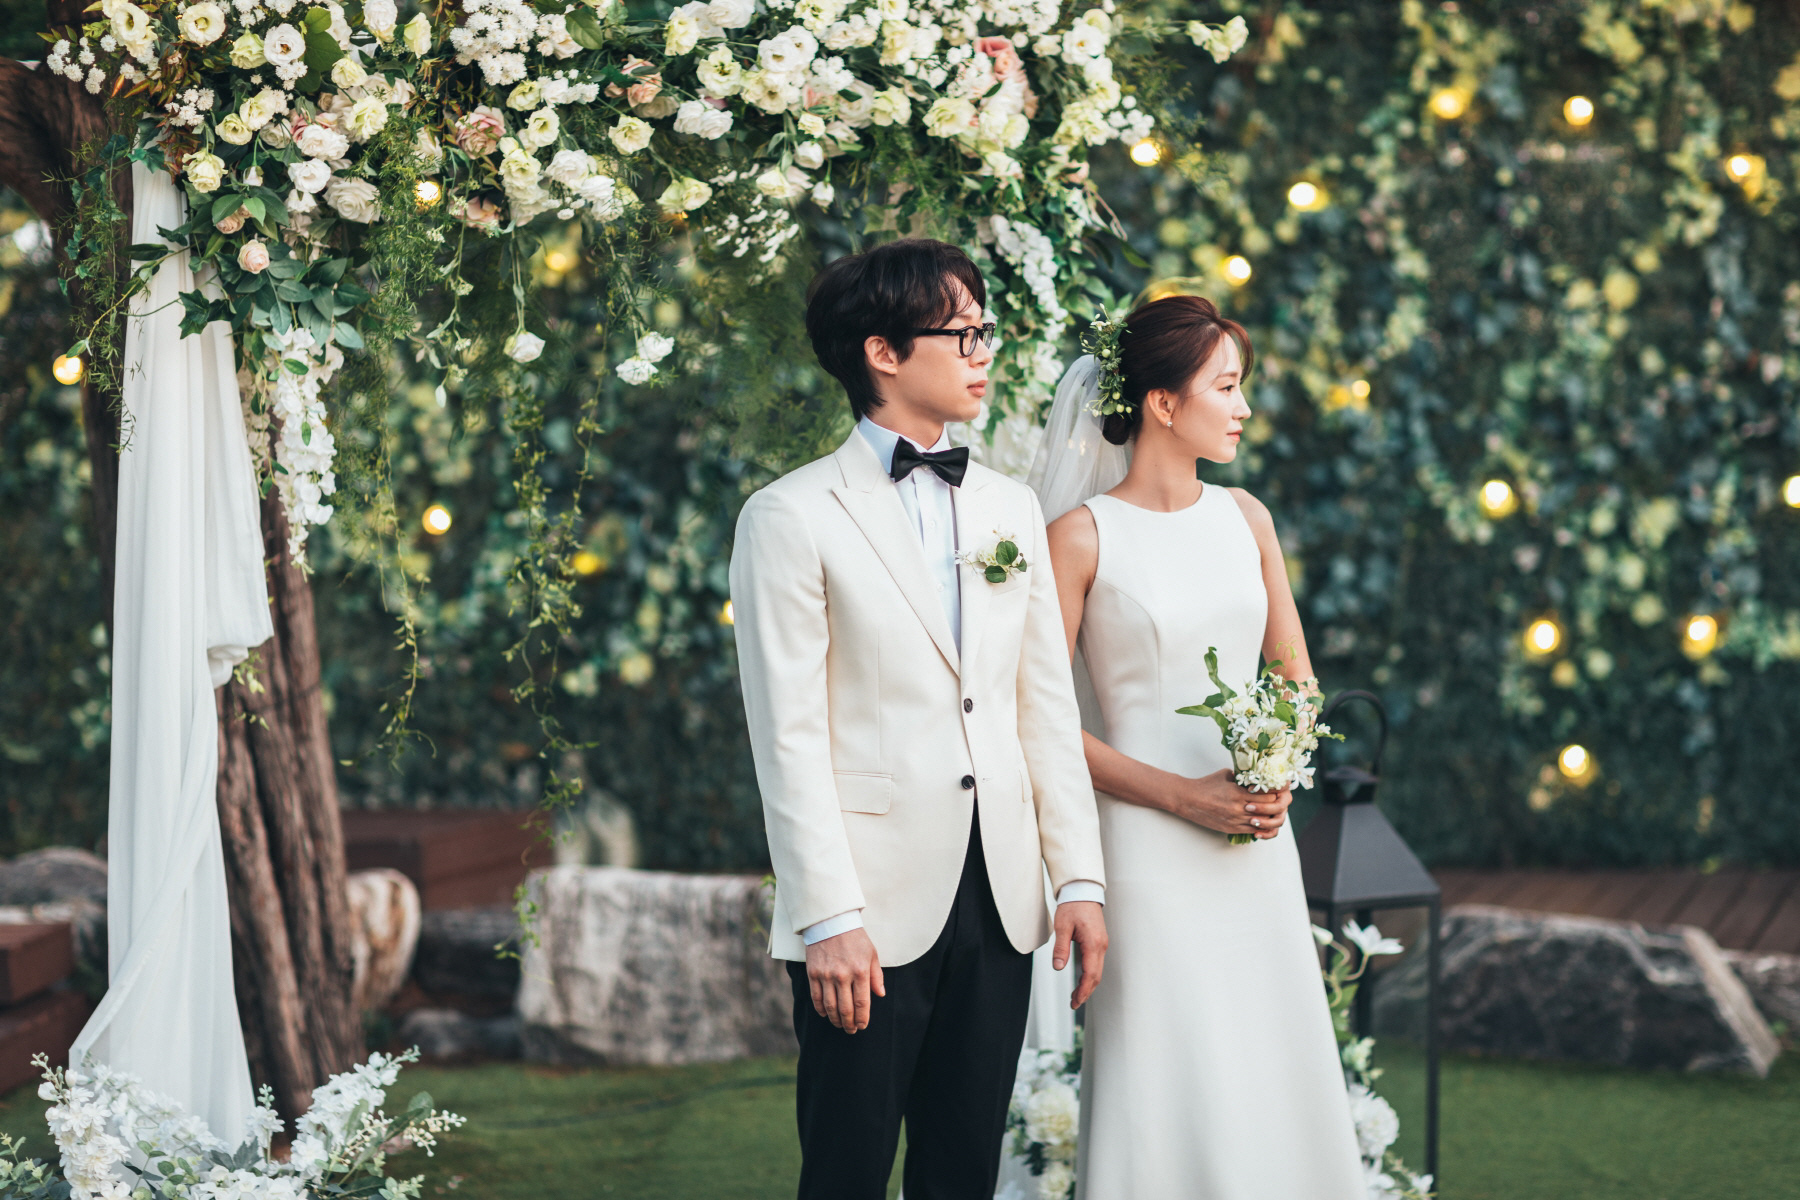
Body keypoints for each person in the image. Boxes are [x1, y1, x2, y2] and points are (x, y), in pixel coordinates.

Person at [728, 238, 1110, 1200]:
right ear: (883, 353)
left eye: (986, 329)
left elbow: (1041, 706)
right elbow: (787, 737)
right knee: (847, 1173)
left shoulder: (1011, 509)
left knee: (962, 1173)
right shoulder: (790, 516)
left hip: (1000, 897)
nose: (985, 351)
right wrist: (828, 918)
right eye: (963, 332)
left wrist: (1078, 876)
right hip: (866, 907)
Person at [1033, 295, 1366, 1199]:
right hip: (1145, 850)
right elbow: (1039, 723)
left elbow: (1296, 682)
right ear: (1162, 403)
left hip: (1254, 841)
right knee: (1166, 1070)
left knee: (1269, 1056)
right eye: (1226, 386)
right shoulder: (1079, 537)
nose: (1244, 406)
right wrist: (1184, 796)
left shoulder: (1247, 517)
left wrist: (1275, 766)